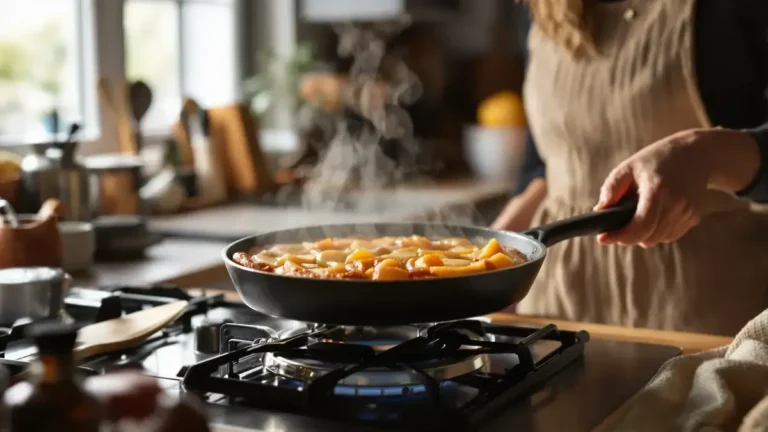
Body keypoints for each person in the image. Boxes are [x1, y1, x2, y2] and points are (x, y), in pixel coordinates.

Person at [491, 0, 768, 335]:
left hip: (705, 315)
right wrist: (490, 261)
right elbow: (549, 165)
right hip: (556, 309)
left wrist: (704, 153)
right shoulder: (543, 7)